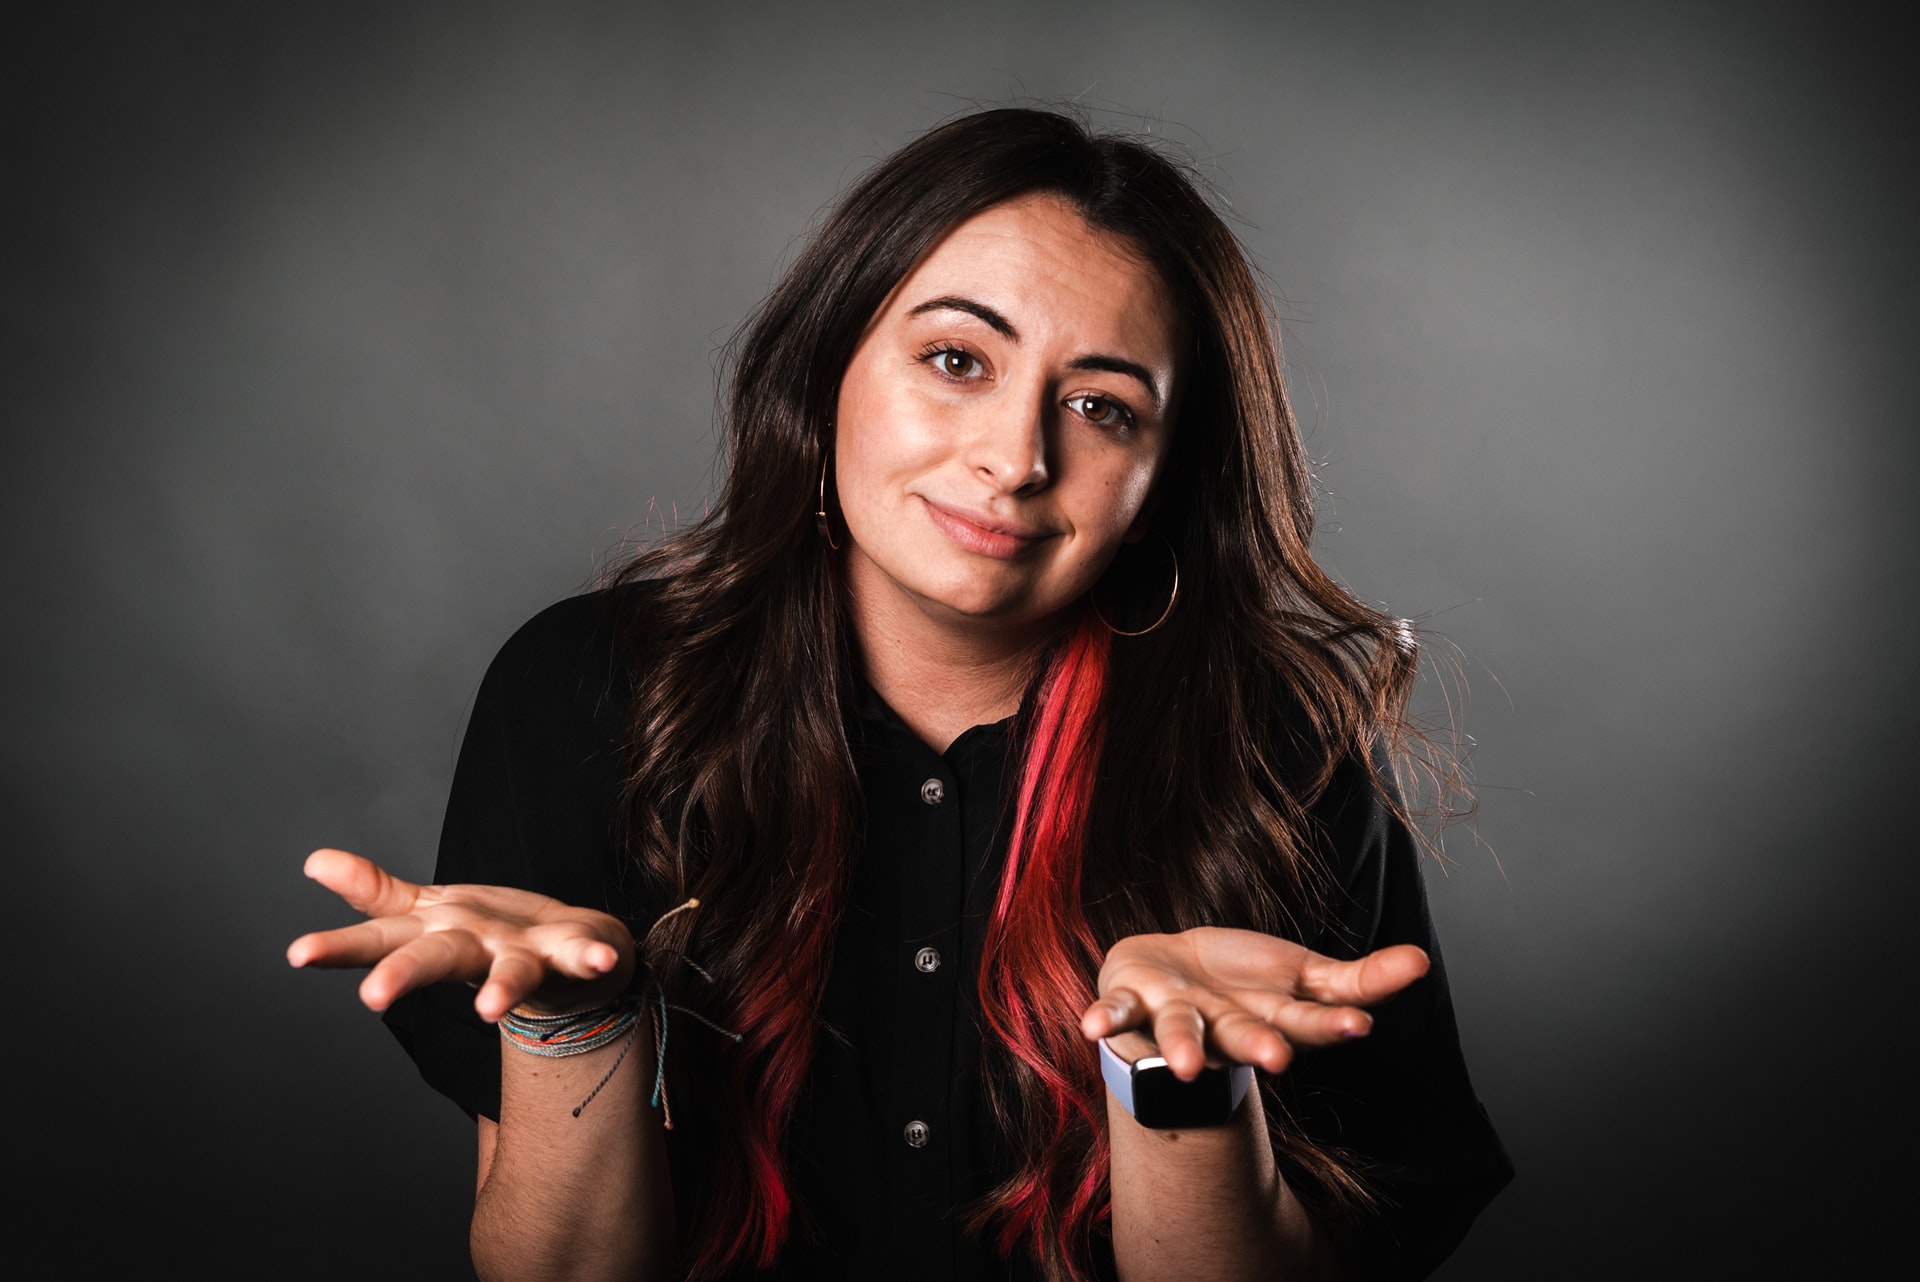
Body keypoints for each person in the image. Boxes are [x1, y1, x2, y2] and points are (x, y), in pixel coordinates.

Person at [289, 107, 1511, 1282]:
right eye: (954, 358)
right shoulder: (590, 691)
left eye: (1101, 407)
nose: (1016, 457)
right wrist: (579, 1025)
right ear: (831, 368)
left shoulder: (1271, 748)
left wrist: (1175, 1084)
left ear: (1163, 476)